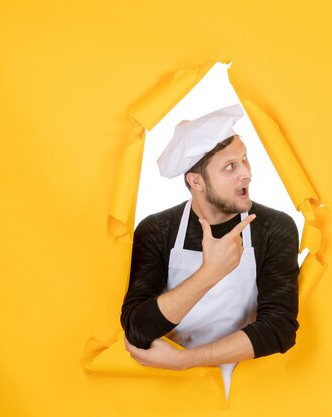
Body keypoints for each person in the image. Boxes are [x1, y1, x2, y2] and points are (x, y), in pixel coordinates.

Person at [120, 104, 299, 391]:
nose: (247, 174)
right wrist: (209, 274)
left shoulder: (273, 227)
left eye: (245, 160)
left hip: (248, 391)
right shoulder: (157, 230)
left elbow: (280, 328)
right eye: (230, 166)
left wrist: (187, 359)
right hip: (173, 392)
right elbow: (137, 329)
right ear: (196, 181)